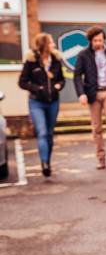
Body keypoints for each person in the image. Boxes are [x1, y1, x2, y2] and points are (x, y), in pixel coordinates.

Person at [73, 26, 106, 171]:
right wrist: (81, 93)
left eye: (100, 40)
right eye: (95, 40)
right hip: (93, 94)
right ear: (90, 41)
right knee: (97, 128)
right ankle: (101, 158)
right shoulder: (83, 55)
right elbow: (77, 75)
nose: (98, 43)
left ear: (104, 39)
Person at [18, 33, 65, 177]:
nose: (54, 45)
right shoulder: (31, 61)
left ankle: (48, 161)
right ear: (44, 45)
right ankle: (44, 163)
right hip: (36, 102)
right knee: (42, 132)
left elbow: (62, 80)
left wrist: (58, 85)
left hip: (53, 102)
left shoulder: (56, 60)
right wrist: (38, 89)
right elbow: (22, 82)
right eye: (51, 42)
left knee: (49, 134)